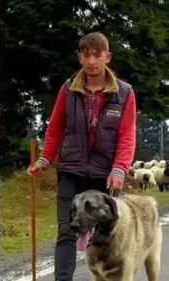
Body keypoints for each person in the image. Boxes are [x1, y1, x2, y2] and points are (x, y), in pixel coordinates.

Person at [26, 32, 136, 281]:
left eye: (97, 56)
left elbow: (127, 136)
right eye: (86, 55)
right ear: (80, 58)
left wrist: (119, 169)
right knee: (66, 231)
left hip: (104, 176)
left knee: (105, 236)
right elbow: (54, 129)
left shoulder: (125, 93)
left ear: (107, 57)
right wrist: (44, 159)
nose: (92, 61)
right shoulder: (68, 89)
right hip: (71, 172)